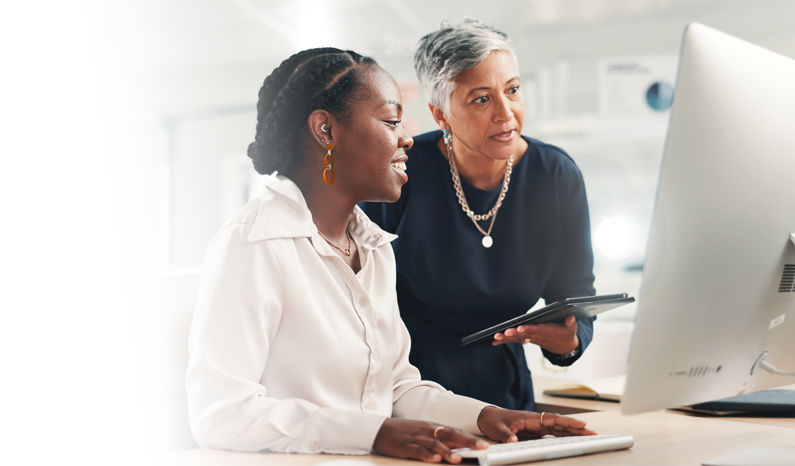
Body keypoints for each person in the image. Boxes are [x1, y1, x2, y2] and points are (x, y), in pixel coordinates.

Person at [185, 47, 595, 464]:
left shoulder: (374, 246)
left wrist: (488, 416)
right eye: (391, 121)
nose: (406, 139)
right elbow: (221, 414)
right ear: (325, 130)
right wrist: (375, 433)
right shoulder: (254, 242)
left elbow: (397, 387)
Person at [359, 19, 597, 411]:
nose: (507, 113)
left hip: (505, 389)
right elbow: (357, 295)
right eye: (482, 99)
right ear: (441, 115)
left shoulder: (555, 175)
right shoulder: (401, 170)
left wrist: (570, 341)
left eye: (514, 90)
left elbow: (576, 297)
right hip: (408, 387)